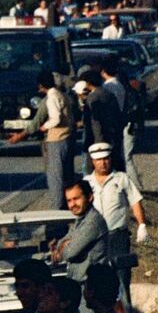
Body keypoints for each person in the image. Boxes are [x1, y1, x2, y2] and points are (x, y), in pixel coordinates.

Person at [85, 143, 146, 312]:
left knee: (121, 276)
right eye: (99, 160)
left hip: (118, 236)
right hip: (96, 239)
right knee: (98, 278)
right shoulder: (86, 182)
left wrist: (142, 225)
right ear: (92, 161)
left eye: (106, 159)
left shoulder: (121, 179)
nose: (103, 163)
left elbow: (135, 201)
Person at [51, 178, 112, 295]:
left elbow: (69, 253)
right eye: (69, 200)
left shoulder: (93, 221)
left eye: (76, 199)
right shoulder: (80, 221)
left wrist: (64, 249)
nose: (72, 204)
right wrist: (63, 245)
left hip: (91, 287)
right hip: (78, 285)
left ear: (90, 197)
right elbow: (60, 243)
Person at [38, 70, 74, 210]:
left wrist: (44, 127)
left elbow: (56, 118)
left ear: (41, 85)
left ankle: (57, 208)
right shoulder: (61, 94)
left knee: (55, 177)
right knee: (66, 174)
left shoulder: (51, 97)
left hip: (56, 139)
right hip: (66, 137)